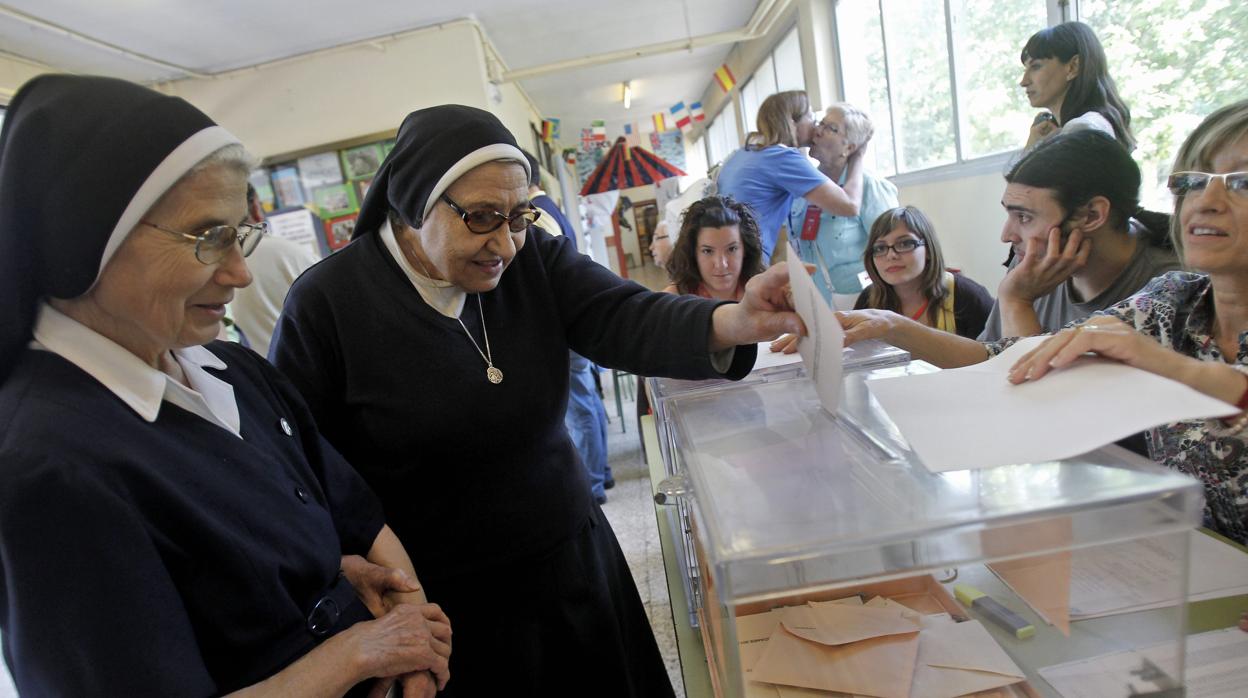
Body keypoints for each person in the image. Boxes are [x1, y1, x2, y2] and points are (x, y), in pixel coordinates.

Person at [269, 104, 805, 696]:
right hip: (450, 600)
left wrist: (733, 320)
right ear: (416, 201)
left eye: (519, 215)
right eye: (480, 218)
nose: (504, 242)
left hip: (569, 557)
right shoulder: (327, 305)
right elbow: (302, 468)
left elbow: (621, 313)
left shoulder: (532, 260)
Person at [0, 75, 451, 697]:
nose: (239, 272)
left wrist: (414, 656)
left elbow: (351, 520)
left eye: (239, 234)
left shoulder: (232, 372)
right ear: (88, 237)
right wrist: (354, 656)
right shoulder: (48, 468)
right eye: (209, 238)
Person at [1007, 99, 1248, 545]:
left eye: (1243, 183)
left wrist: (1169, 365)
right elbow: (1016, 356)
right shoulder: (1174, 297)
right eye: (1194, 181)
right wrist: (890, 327)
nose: (1207, 201)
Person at [836, 130, 1179, 368]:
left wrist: (1017, 301)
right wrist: (889, 324)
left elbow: (1044, 400)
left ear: (1092, 215)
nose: (1007, 234)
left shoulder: (1172, 289)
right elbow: (990, 358)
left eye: (1024, 217)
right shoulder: (1032, 267)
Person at [522, 149, 615, 502]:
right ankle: (600, 474)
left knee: (580, 407)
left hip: (562, 320)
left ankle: (592, 483)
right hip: (571, 317)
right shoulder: (551, 206)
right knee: (586, 400)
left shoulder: (538, 214)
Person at [716, 90, 865, 263]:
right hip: (745, 260)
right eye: (811, 118)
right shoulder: (781, 158)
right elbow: (850, 206)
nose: (816, 128)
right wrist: (858, 157)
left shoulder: (742, 154)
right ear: (792, 123)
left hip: (722, 257)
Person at [788, 104, 898, 309]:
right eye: (820, 123)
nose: (818, 130)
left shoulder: (870, 186)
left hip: (862, 303)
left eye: (831, 128)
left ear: (849, 147)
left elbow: (894, 252)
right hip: (814, 304)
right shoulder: (803, 188)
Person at [230, 184, 321, 356]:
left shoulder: (218, 268)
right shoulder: (291, 253)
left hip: (267, 372)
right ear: (256, 208)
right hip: (314, 367)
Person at [1021, 21, 1134, 151]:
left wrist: (1030, 152)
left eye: (1036, 66)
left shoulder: (1082, 130)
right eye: (1025, 69)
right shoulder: (1090, 127)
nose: (1023, 82)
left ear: (1073, 67)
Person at [663, 196, 766, 301]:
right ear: (693, 253)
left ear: (745, 249)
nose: (721, 264)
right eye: (708, 251)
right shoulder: (673, 301)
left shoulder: (766, 293)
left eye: (732, 249)